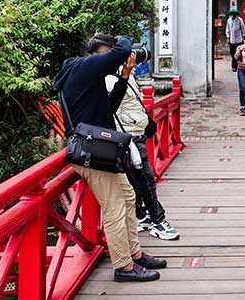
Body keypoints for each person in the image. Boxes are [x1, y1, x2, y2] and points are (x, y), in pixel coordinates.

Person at [54, 33, 166, 281]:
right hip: (91, 153)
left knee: (127, 196)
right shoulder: (82, 67)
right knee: (114, 207)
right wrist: (123, 41)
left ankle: (134, 254)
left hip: (100, 150)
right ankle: (123, 266)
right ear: (99, 53)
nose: (115, 62)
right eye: (111, 55)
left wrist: (124, 76)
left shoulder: (85, 77)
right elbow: (119, 51)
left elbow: (109, 107)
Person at [108, 69, 180, 241]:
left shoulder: (127, 75)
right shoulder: (109, 79)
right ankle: (158, 221)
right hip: (127, 137)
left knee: (137, 180)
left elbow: (135, 103)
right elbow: (111, 107)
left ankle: (141, 216)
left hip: (136, 132)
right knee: (146, 180)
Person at [225, 8, 245, 72]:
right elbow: (227, 30)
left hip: (239, 40)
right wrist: (228, 38)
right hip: (232, 40)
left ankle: (236, 65)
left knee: (238, 53)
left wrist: (244, 38)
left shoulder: (239, 20)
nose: (233, 15)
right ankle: (235, 65)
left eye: (234, 14)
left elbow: (243, 29)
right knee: (232, 53)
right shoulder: (229, 20)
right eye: (231, 14)